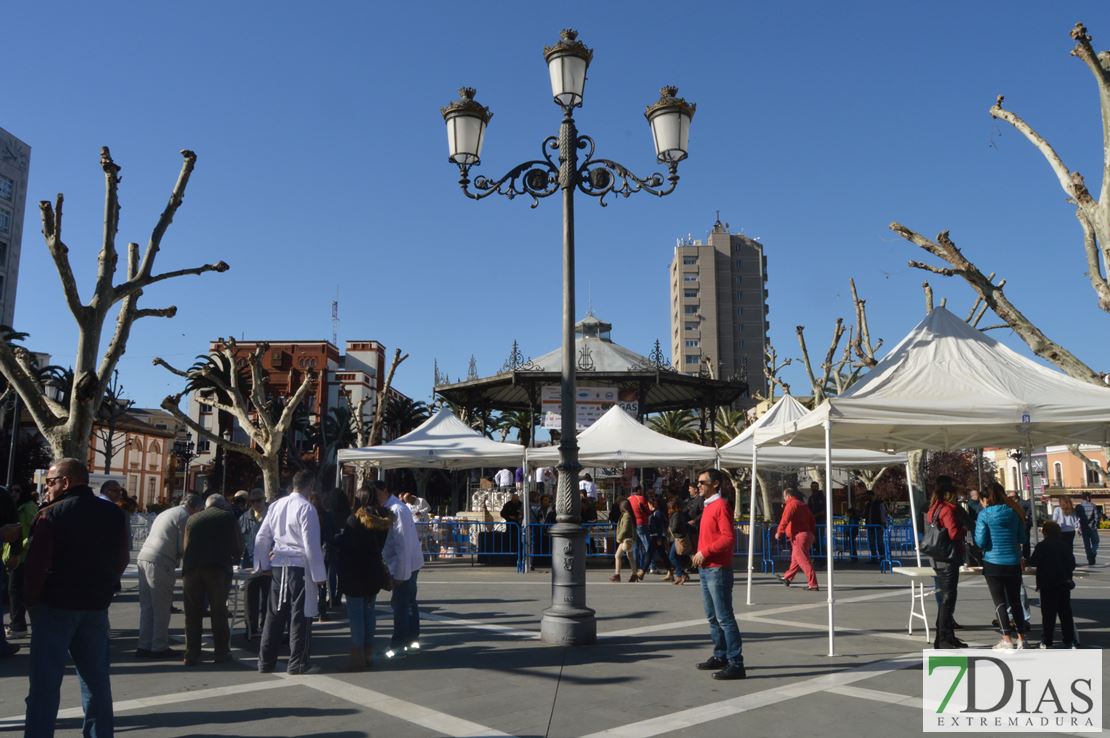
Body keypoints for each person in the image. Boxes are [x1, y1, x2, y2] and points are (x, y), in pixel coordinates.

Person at [23, 458, 129, 738]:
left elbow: (37, 565)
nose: (47, 488)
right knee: (96, 682)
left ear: (65, 482)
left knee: (45, 685)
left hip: (55, 605)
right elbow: (122, 558)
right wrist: (106, 586)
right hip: (95, 605)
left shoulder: (50, 514)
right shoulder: (113, 513)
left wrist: (30, 600)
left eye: (50, 481)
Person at [255, 470, 328, 674]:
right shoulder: (307, 508)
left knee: (274, 614)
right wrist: (319, 576)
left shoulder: (277, 505)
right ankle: (297, 662)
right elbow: (311, 545)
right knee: (301, 615)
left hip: (279, 563)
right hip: (299, 565)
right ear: (310, 486)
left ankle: (265, 661)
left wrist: (263, 565)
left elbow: (262, 537)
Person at [691, 469, 745, 680]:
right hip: (706, 568)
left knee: (724, 618)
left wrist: (705, 551)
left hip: (717, 568)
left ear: (714, 484)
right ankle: (721, 655)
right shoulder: (708, 506)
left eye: (702, 482)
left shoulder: (721, 505)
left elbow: (728, 538)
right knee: (713, 617)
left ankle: (736, 662)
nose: (699, 486)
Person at [135, 493, 203, 658]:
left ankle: (144, 644)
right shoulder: (185, 517)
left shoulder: (168, 512)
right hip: (161, 561)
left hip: (144, 556)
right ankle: (159, 645)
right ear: (195, 508)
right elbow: (183, 545)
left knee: (147, 606)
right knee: (162, 607)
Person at [182, 494, 242, 666]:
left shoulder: (192, 518)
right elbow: (237, 546)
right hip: (217, 569)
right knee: (218, 611)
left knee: (192, 612)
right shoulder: (228, 517)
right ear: (222, 505)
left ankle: (192, 653)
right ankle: (221, 652)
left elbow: (186, 546)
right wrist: (236, 557)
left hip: (192, 569)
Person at [336, 488, 393, 670]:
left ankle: (357, 655)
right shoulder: (383, 521)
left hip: (355, 574)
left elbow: (347, 547)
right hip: (373, 572)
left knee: (356, 616)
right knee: (369, 613)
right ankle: (368, 653)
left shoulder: (354, 521)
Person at [975, 481, 1029, 650]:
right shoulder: (1014, 512)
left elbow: (980, 541)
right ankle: (1022, 638)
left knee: (1000, 603)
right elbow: (1022, 538)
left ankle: (1006, 638)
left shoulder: (985, 515)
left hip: (993, 562)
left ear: (987, 498)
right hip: (1013, 562)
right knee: (1016, 602)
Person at [374, 480, 424, 659]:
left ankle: (399, 644)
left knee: (401, 604)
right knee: (408, 603)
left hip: (405, 564)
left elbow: (402, 544)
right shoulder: (396, 508)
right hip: (408, 563)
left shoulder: (396, 510)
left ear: (385, 491)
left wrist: (401, 573)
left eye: (377, 494)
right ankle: (411, 641)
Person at [925, 476, 966, 649]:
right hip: (949, 557)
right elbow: (953, 533)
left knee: (945, 597)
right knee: (948, 599)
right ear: (949, 494)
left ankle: (947, 636)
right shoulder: (948, 510)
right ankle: (942, 637)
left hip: (937, 557)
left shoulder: (933, 508)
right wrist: (963, 530)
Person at [1029, 520, 1078, 649]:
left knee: (1048, 615)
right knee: (1065, 614)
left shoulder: (1041, 546)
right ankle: (1069, 639)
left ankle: (1047, 640)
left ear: (1045, 532)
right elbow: (1072, 564)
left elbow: (1033, 562)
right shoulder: (1065, 545)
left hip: (1047, 583)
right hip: (1063, 583)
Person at [5, 484, 38, 636]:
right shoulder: (13, 507)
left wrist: (24, 545)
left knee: (16, 591)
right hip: (12, 556)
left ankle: (18, 626)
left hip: (23, 557)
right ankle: (18, 624)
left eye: (18, 490)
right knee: (15, 591)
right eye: (11, 490)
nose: (14, 493)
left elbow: (36, 529)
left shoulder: (28, 507)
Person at [238, 489, 269, 640]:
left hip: (268, 565)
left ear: (264, 500)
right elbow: (239, 540)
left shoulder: (272, 516)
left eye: (259, 500)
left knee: (268, 598)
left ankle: (266, 627)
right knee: (250, 598)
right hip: (250, 564)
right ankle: (250, 627)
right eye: (253, 501)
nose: (256, 504)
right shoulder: (244, 518)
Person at [776, 487, 819, 591]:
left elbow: (785, 519)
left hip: (798, 536)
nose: (784, 499)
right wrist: (813, 533)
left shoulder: (791, 505)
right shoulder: (802, 505)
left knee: (803, 560)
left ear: (788, 496)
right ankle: (787, 578)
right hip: (806, 534)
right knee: (796, 559)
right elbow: (812, 520)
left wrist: (779, 532)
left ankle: (813, 584)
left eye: (784, 497)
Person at [668, 497, 693, 585]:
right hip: (679, 538)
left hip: (679, 539)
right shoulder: (679, 514)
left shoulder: (676, 515)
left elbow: (675, 527)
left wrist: (669, 528)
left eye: (670, 508)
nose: (669, 509)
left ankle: (681, 574)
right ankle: (680, 574)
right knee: (675, 557)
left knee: (672, 557)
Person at [610, 500, 637, 582]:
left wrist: (619, 538)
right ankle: (634, 574)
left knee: (617, 556)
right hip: (629, 539)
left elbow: (625, 528)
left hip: (625, 539)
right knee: (630, 556)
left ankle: (617, 575)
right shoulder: (629, 515)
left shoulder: (626, 516)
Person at [628, 485, 651, 579]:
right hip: (642, 522)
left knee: (635, 547)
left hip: (633, 524)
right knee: (648, 546)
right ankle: (650, 566)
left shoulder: (628, 499)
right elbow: (648, 511)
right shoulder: (641, 498)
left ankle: (635, 567)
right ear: (638, 490)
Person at [1076, 493, 1101, 566]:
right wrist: (1095, 525)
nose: (1091, 498)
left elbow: (1077, 519)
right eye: (1090, 497)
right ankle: (1092, 553)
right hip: (1092, 527)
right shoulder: (1093, 505)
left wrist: (1079, 528)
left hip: (1083, 528)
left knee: (1086, 545)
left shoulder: (1079, 506)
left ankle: (1090, 560)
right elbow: (1096, 517)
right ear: (1087, 498)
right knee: (1096, 542)